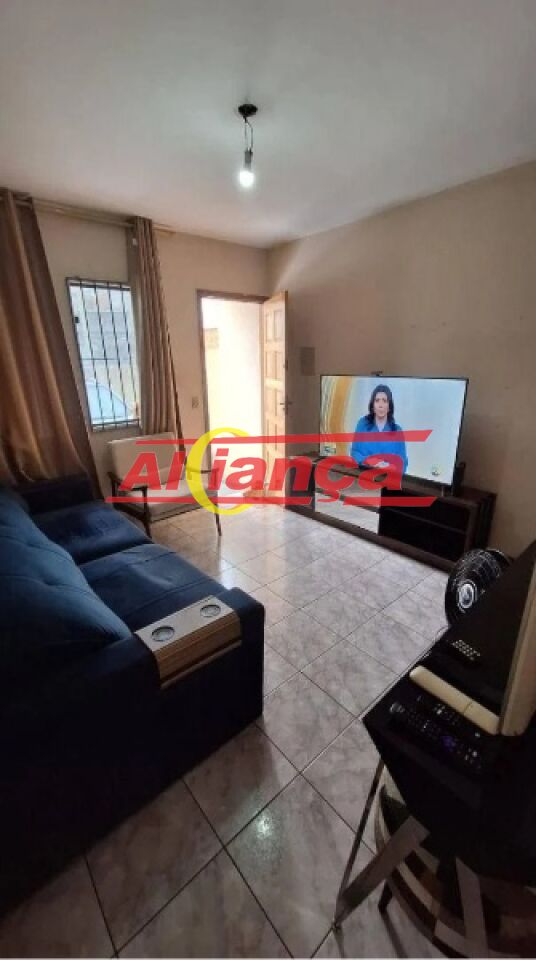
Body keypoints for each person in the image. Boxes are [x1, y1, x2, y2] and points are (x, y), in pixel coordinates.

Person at [350, 384, 408, 473]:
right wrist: (372, 462)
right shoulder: (362, 424)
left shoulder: (397, 431)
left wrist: (389, 467)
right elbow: (355, 453)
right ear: (373, 406)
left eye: (384, 401)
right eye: (377, 401)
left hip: (388, 478)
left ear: (389, 406)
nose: (381, 405)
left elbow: (402, 463)